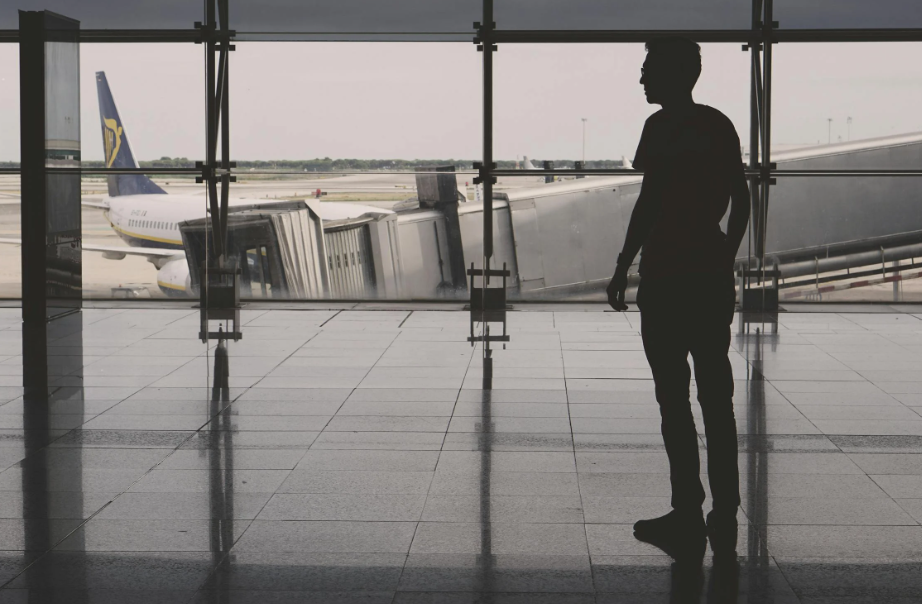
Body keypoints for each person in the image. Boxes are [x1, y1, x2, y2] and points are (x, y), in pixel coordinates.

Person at [607, 37, 751, 561]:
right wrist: (724, 255)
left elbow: (649, 203)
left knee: (673, 398)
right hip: (706, 275)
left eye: (648, 69)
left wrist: (624, 265)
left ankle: (687, 509)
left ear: (671, 73)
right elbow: (741, 196)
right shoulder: (718, 123)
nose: (641, 79)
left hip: (667, 276)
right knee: (717, 396)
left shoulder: (661, 128)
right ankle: (725, 511)